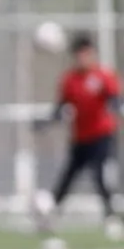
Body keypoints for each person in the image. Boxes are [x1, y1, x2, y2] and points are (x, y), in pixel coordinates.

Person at [33, 32, 123, 237]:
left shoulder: (103, 76)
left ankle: (111, 217)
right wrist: (46, 122)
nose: (83, 58)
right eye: (79, 54)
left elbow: (114, 99)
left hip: (102, 134)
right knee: (69, 175)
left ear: (92, 54)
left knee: (98, 174)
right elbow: (60, 108)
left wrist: (118, 106)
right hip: (80, 137)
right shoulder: (70, 80)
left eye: (86, 53)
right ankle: (51, 214)